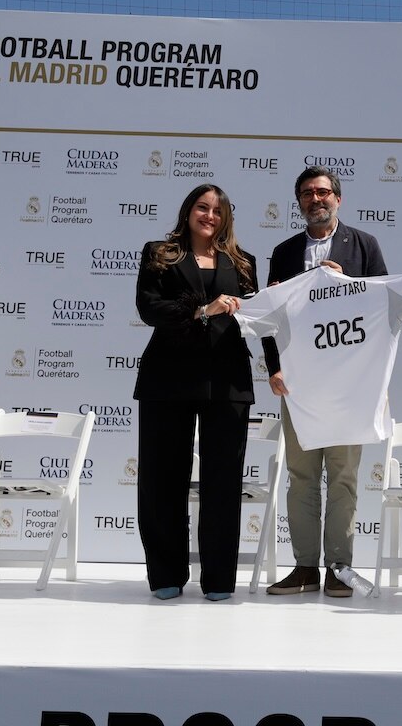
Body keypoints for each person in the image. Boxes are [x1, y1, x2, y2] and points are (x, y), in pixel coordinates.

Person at [263, 166, 388, 598]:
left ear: (338, 198)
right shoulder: (283, 252)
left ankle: (339, 567)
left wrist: (347, 284)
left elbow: (382, 307)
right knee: (301, 476)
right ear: (299, 202)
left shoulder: (364, 245)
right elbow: (268, 317)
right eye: (307, 193)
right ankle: (303, 568)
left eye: (323, 192)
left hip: (349, 386)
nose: (316, 199)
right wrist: (273, 367)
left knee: (344, 477)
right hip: (298, 385)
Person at [134, 183, 258, 602]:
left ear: (226, 218)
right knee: (161, 478)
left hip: (227, 381)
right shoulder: (159, 253)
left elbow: (261, 319)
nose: (209, 216)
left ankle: (220, 580)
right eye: (202, 207)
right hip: (167, 378)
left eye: (218, 210)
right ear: (188, 211)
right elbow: (149, 308)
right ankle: (166, 575)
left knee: (223, 483)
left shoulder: (242, 263)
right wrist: (202, 310)